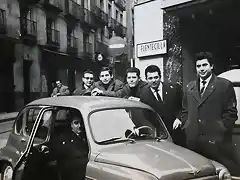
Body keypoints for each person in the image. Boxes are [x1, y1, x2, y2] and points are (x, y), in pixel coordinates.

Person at [175, 52, 240, 175]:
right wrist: (187, 126)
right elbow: (185, 110)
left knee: (219, 173)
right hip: (194, 143)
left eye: (205, 65)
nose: (201, 69)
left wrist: (220, 129)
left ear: (212, 66)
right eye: (198, 66)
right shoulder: (190, 87)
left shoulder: (224, 85)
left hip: (216, 143)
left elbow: (231, 113)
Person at [140, 65, 185, 146]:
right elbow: (146, 116)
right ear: (146, 79)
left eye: (156, 77)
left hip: (177, 130)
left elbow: (184, 105)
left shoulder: (173, 88)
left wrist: (179, 118)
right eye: (150, 78)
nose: (154, 80)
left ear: (160, 77)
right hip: (161, 136)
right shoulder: (144, 95)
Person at [53, 115, 88, 180]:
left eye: (81, 123)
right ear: (71, 125)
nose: (80, 126)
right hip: (73, 171)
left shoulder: (85, 135)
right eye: (76, 123)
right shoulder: (65, 138)